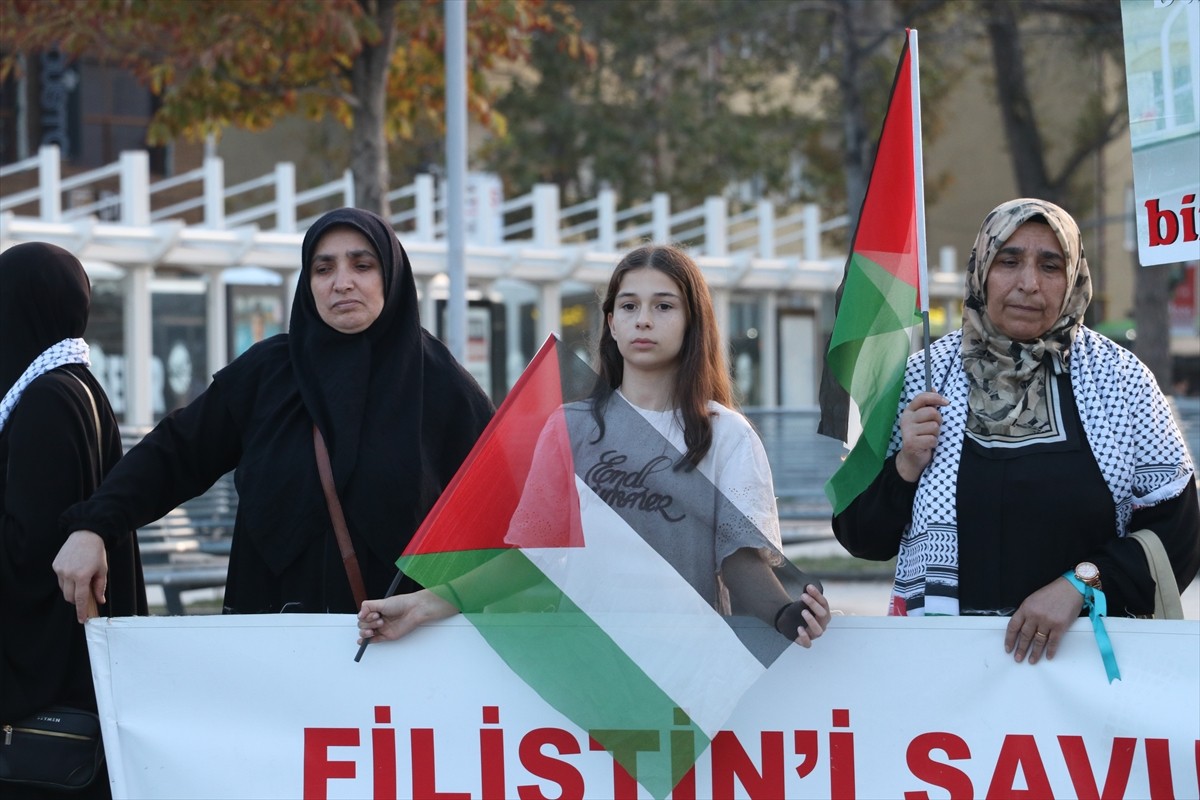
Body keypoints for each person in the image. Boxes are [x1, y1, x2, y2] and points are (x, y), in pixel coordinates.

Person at [358, 244, 831, 646]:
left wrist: (787, 614)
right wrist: (420, 605)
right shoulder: (571, 427)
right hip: (588, 664)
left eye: (664, 306)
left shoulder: (727, 435)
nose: (643, 320)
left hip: (688, 666)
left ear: (693, 321)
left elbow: (740, 561)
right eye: (629, 306)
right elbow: (533, 560)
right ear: (611, 322)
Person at [53, 208, 494, 617]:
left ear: (391, 276)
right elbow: (176, 453)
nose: (342, 283)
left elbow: (504, 519)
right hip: (271, 636)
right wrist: (93, 526)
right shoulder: (270, 374)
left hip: (401, 644)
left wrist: (439, 603)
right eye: (323, 269)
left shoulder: (443, 387)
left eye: (362, 265)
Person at [833, 198, 1200, 664]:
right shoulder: (924, 378)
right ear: (982, 270)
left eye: (1050, 265)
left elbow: (1178, 537)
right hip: (943, 672)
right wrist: (905, 465)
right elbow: (861, 536)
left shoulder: (1121, 381)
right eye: (1009, 261)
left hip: (1087, 675)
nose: (1029, 283)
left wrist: (1081, 585)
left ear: (1073, 278)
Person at [0, 242, 147, 799]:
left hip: (49, 673)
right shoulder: (75, 386)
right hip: (77, 657)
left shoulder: (46, 400)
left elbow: (32, 545)